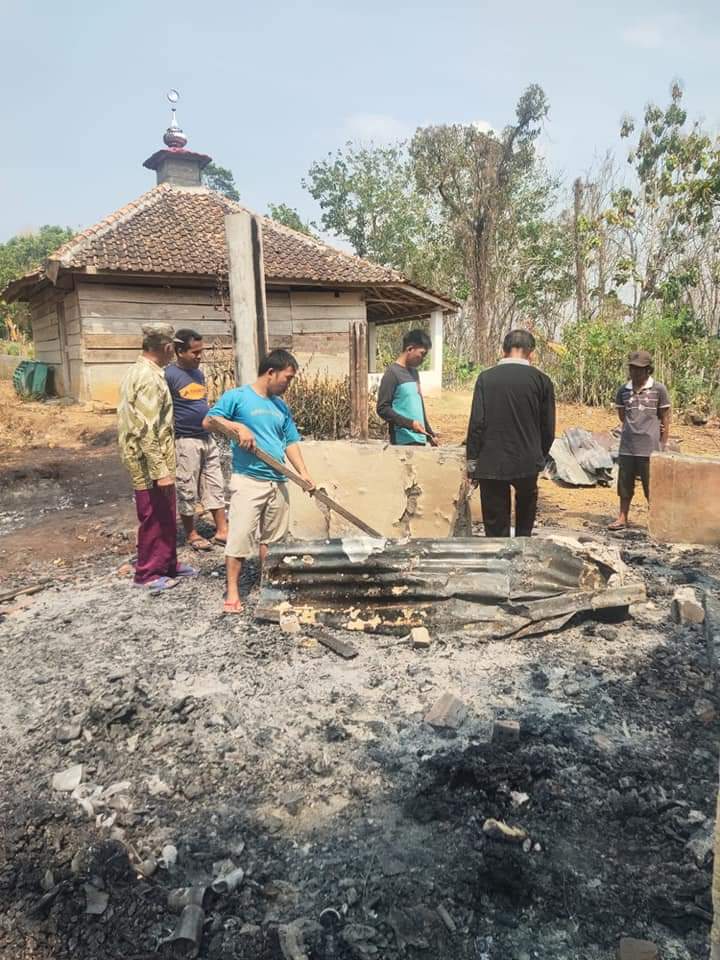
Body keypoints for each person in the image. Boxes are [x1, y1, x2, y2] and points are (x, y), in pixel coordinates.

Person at [204, 349, 314, 614]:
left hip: (278, 481)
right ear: (271, 372)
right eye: (287, 378)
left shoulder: (280, 406)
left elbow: (290, 442)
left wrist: (304, 473)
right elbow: (208, 421)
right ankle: (232, 592)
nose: (288, 383)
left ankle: (269, 584)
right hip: (249, 480)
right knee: (240, 538)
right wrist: (238, 428)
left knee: (273, 541)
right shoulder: (238, 397)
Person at [117, 323, 197, 589]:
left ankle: (167, 564)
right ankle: (147, 574)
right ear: (167, 348)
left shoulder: (146, 371)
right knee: (153, 515)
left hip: (159, 458)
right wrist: (160, 470)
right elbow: (147, 428)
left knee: (166, 513)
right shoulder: (148, 378)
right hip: (148, 461)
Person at [465, 329, 555, 538]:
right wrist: (539, 456)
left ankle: (497, 564)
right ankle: (523, 557)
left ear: (503, 351)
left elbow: (477, 422)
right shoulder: (541, 380)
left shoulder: (486, 379)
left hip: (492, 461)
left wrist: (472, 461)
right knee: (525, 520)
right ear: (531, 352)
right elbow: (547, 427)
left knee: (495, 527)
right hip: (527, 461)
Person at [165, 329, 229, 551]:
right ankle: (191, 533)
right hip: (185, 441)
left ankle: (222, 531)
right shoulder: (169, 375)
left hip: (207, 437)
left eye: (201, 351)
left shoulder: (199, 374)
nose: (200, 356)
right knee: (187, 486)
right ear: (180, 351)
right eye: (195, 352)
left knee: (215, 483)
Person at [609, 350, 671, 530]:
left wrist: (663, 443)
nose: (635, 372)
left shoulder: (659, 389)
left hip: (650, 447)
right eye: (632, 369)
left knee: (651, 486)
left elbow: (665, 417)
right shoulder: (623, 391)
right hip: (627, 445)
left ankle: (657, 522)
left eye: (640, 369)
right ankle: (622, 518)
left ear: (648, 370)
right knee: (624, 485)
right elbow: (623, 416)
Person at [376, 329, 438, 446]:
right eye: (422, 354)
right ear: (410, 349)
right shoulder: (392, 374)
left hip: (420, 440)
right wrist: (410, 424)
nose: (423, 359)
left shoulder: (415, 373)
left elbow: (420, 408)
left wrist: (430, 435)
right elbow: (382, 408)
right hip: (403, 442)